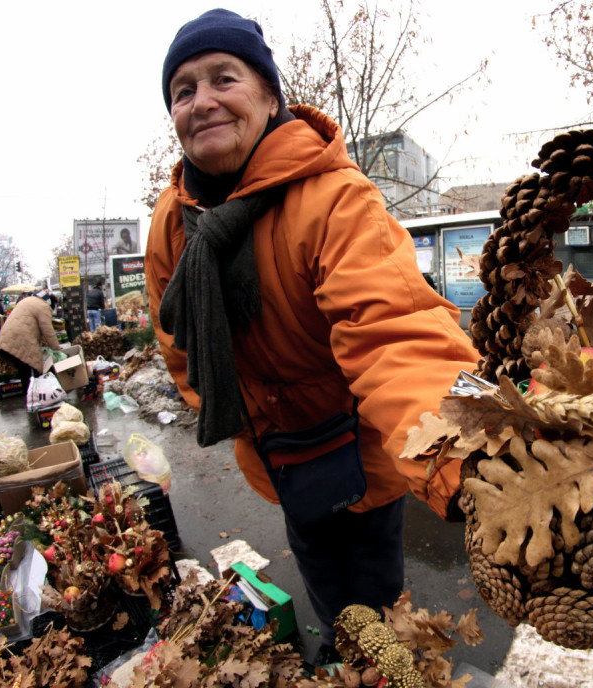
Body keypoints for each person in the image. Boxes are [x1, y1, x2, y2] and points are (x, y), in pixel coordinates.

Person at [146, 9, 479, 668]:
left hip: (361, 450)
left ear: (270, 97)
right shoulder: (173, 224)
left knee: (377, 590)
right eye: (183, 90)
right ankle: (339, 651)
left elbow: (393, 331)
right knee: (323, 577)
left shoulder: (333, 198)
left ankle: (384, 666)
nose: (202, 101)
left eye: (223, 78)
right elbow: (175, 338)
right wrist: (241, 416)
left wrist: (464, 455)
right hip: (282, 459)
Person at [0, 292, 61, 393]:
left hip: (7, 338)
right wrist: (58, 351)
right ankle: (33, 396)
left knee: (24, 370)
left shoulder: (27, 300)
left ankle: (30, 395)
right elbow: (48, 331)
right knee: (30, 369)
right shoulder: (43, 307)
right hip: (21, 340)